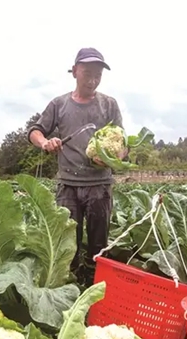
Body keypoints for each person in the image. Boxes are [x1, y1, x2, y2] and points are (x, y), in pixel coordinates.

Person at [27, 47, 125, 284]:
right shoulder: (59, 104)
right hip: (68, 185)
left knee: (99, 247)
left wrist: (114, 158)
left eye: (98, 75)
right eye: (88, 73)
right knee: (67, 245)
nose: (93, 80)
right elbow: (35, 131)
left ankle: (95, 288)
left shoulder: (109, 105)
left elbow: (122, 143)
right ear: (74, 72)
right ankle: (69, 288)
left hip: (99, 186)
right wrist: (45, 142)